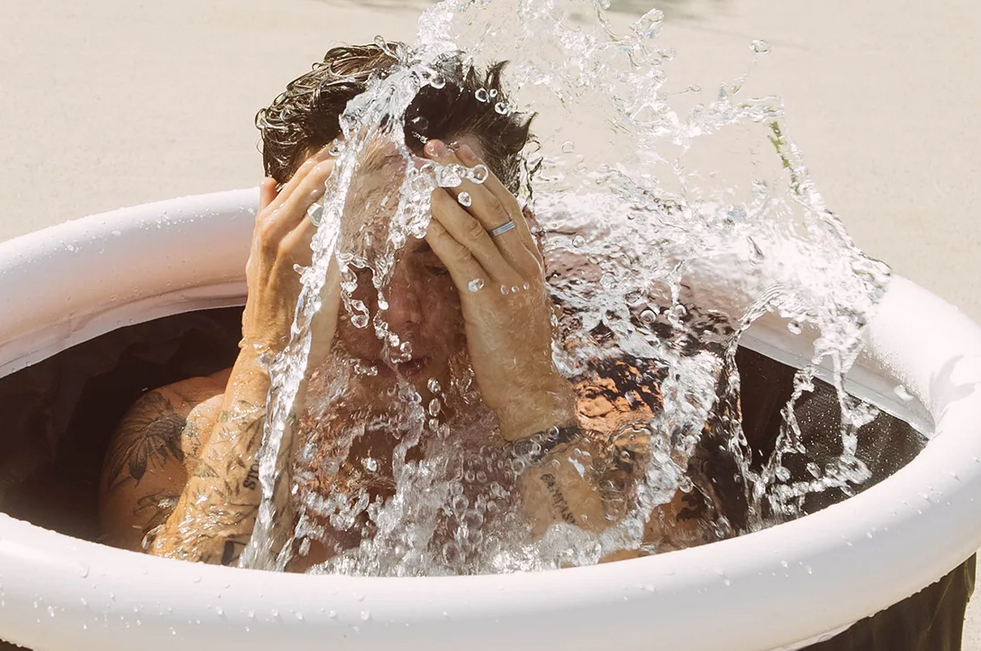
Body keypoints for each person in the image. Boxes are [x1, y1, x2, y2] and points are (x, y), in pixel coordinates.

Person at [97, 44, 699, 569]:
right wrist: (269, 358)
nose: (397, 313)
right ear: (277, 248)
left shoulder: (616, 437)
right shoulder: (181, 432)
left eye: (442, 264)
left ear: (518, 250)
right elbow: (181, 643)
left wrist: (530, 399)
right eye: (354, 264)